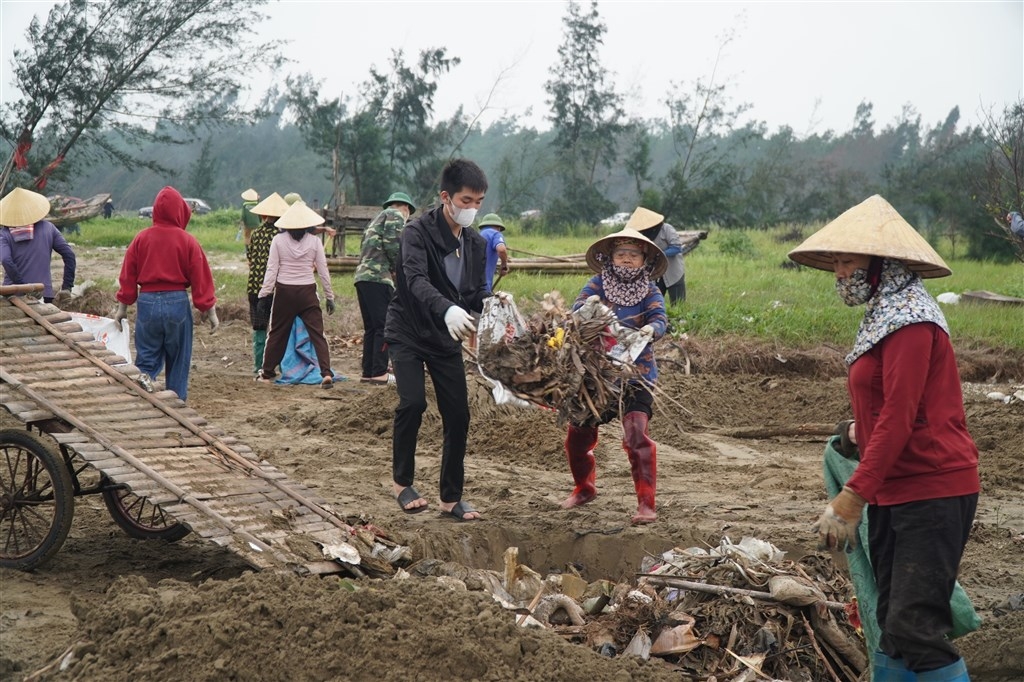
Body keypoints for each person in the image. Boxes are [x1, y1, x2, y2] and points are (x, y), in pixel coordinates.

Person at [789, 194, 978, 682]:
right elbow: (885, 408)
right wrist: (855, 432)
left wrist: (852, 496)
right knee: (890, 626)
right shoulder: (885, 315)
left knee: (915, 628)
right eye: (835, 262)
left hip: (933, 487)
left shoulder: (911, 321)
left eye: (846, 260)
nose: (838, 272)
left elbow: (900, 415)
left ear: (881, 263)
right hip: (896, 488)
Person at [384, 158, 489, 520]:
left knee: (458, 414)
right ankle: (402, 483)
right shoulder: (417, 232)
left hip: (446, 338)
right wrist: (446, 308)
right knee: (413, 403)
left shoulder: (475, 243)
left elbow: (476, 292)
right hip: (409, 329)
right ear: (446, 197)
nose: (472, 210)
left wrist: (492, 306)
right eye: (465, 201)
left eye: (478, 203)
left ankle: (450, 497)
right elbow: (414, 280)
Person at [561, 227, 668, 525]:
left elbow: (660, 318)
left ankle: (646, 503)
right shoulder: (597, 284)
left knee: (636, 435)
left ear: (644, 258)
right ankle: (584, 487)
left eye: (633, 255)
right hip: (598, 373)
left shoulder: (649, 290)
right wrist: (588, 309)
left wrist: (650, 330)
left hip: (637, 374)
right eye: (621, 254)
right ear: (610, 257)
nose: (626, 260)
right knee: (577, 436)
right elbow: (578, 309)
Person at [114, 186, 218, 401]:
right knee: (179, 360)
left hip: (147, 303)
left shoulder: (141, 239)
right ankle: (177, 404)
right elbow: (201, 276)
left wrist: (122, 308)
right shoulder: (188, 241)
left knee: (146, 360)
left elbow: (128, 275)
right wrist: (209, 309)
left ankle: (141, 401)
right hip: (177, 303)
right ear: (180, 211)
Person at [256, 200, 336, 389]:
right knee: (318, 335)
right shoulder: (315, 242)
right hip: (307, 291)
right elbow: (323, 271)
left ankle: (266, 374)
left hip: (285, 292)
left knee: (277, 333)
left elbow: (271, 269)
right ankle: (326, 373)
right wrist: (329, 296)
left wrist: (264, 294)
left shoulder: (278, 240)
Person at [354, 191, 415, 385]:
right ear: (405, 208)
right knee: (384, 326)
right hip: (379, 278)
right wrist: (399, 271)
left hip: (362, 277)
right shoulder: (396, 216)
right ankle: (379, 372)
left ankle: (368, 371)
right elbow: (394, 246)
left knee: (371, 327)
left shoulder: (375, 220)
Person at [0, 187, 76, 306]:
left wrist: (24, 287)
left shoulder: (5, 234)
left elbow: (5, 260)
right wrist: (67, 287)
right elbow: (69, 255)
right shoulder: (48, 228)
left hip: (13, 295)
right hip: (44, 294)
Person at [246, 191, 290, 374]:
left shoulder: (255, 234)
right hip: (272, 288)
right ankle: (275, 365)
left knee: (259, 327)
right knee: (277, 328)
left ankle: (258, 365)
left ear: (263, 215)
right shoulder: (280, 237)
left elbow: (250, 257)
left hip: (253, 286)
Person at [626, 206, 695, 304]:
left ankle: (680, 319)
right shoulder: (641, 235)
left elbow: (676, 247)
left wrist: (659, 254)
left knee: (678, 303)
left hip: (673, 271)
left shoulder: (666, 229)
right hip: (654, 273)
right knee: (654, 302)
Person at [477, 213, 509, 292]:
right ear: (498, 227)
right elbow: (501, 250)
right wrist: (504, 264)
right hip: (484, 283)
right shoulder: (495, 234)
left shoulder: (477, 235)